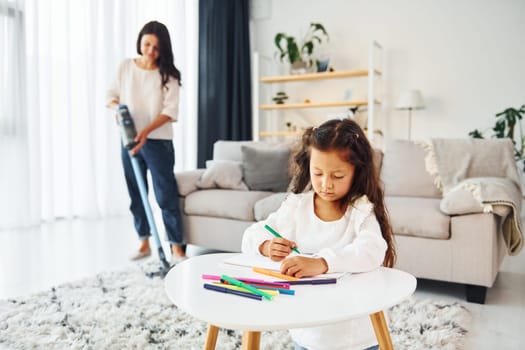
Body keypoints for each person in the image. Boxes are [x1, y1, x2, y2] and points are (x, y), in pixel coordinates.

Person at [241, 118, 396, 350]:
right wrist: (265, 245)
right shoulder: (296, 207)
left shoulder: (360, 210)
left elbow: (371, 250)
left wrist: (322, 263)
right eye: (318, 173)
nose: (326, 184)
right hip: (308, 332)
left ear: (357, 171)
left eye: (338, 176)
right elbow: (251, 235)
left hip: (354, 336)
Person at [105, 21, 186, 262]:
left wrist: (145, 132)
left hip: (158, 142)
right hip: (129, 140)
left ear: (164, 50)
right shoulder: (126, 67)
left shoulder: (168, 75)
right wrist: (119, 111)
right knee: (136, 193)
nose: (150, 51)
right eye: (147, 44)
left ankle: (176, 247)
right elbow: (111, 96)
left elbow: (170, 111)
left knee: (165, 195)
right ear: (140, 41)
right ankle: (144, 243)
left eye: (157, 48)